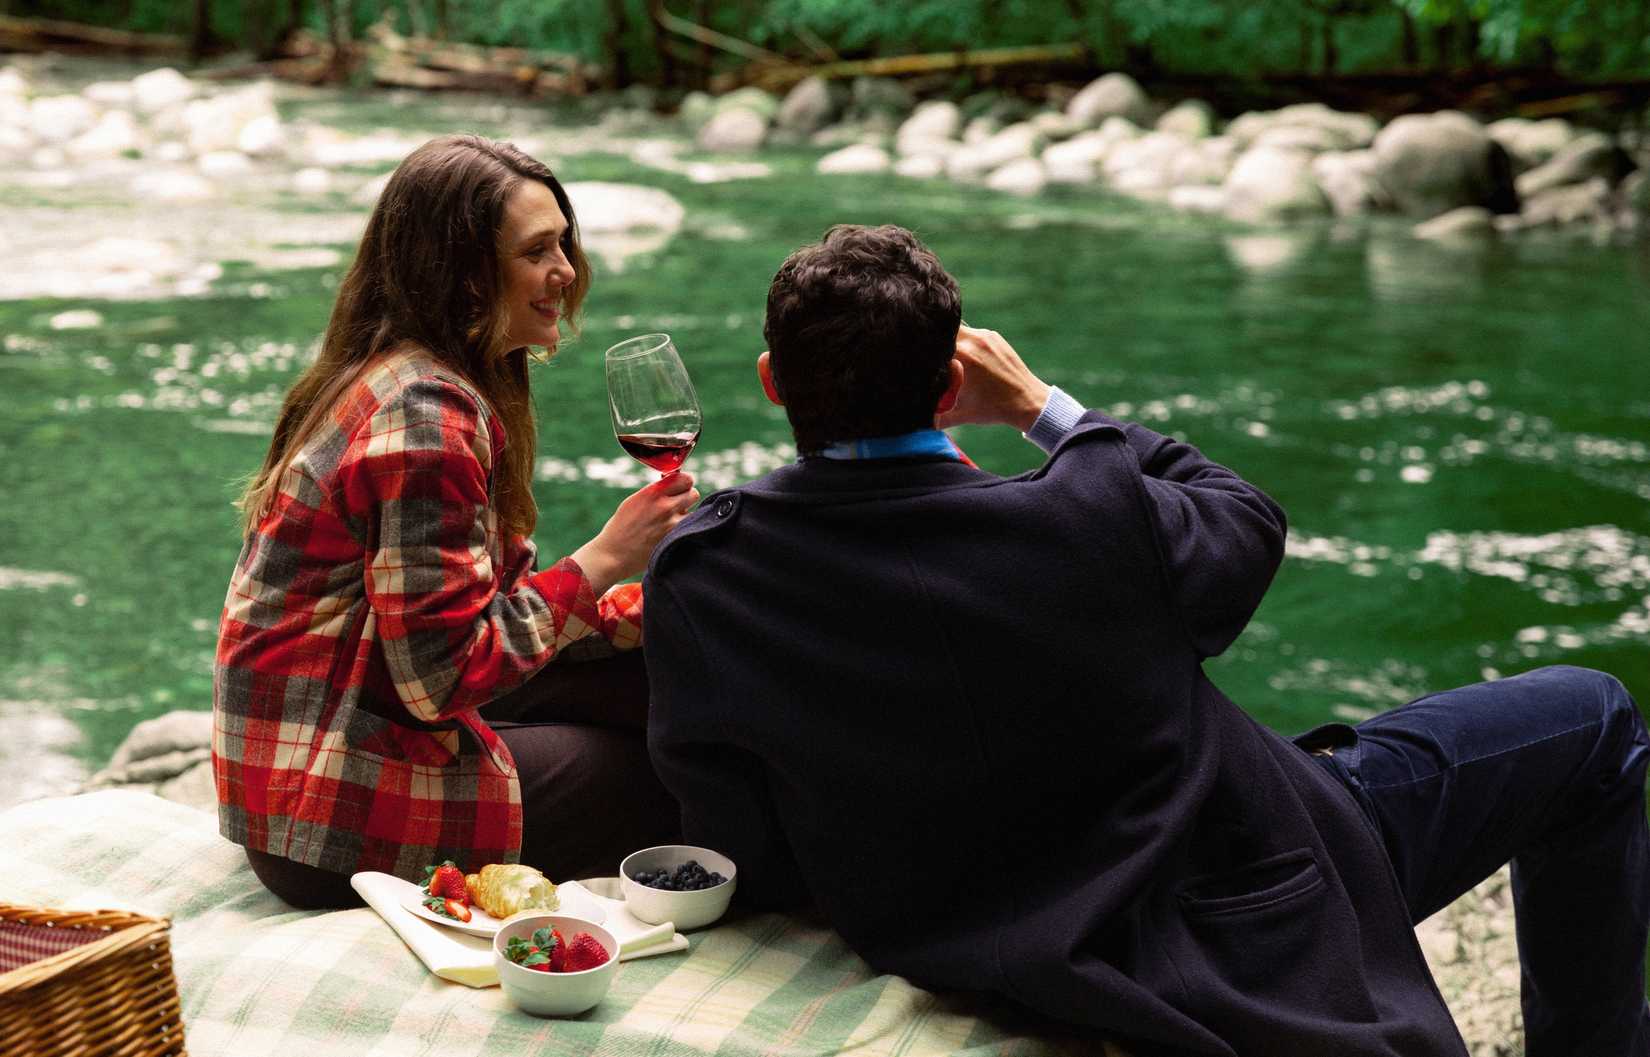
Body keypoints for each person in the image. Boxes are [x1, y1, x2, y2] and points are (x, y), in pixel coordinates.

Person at [642, 224, 1650, 1056]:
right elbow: (1245, 515)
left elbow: (735, 833)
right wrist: (1045, 409)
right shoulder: (1089, 513)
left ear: (774, 384)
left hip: (973, 928)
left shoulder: (710, 572)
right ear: (951, 389)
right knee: (1596, 718)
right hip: (1247, 895)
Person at [213, 134, 698, 909]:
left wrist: (649, 612)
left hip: (332, 744)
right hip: (326, 813)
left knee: (659, 680)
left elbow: (456, 624)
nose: (566, 272)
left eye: (565, 245)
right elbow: (440, 678)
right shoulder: (425, 418)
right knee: (664, 776)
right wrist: (606, 557)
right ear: (464, 273)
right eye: (538, 251)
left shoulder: (409, 373)